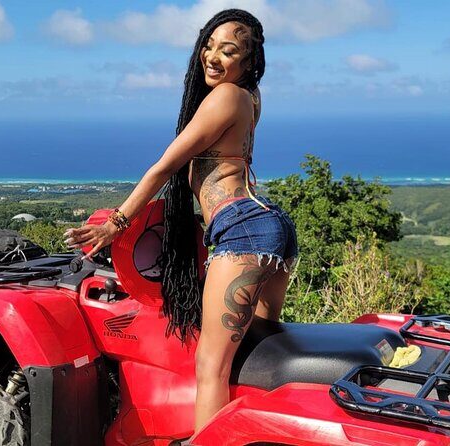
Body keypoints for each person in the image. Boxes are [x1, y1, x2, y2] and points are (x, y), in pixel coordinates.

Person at [63, 8, 298, 434]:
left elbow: (163, 167)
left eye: (229, 51)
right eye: (209, 45)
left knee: (210, 366)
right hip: (270, 228)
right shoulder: (250, 97)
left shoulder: (226, 96)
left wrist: (116, 223)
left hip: (243, 231)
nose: (212, 56)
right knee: (259, 350)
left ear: (248, 62)